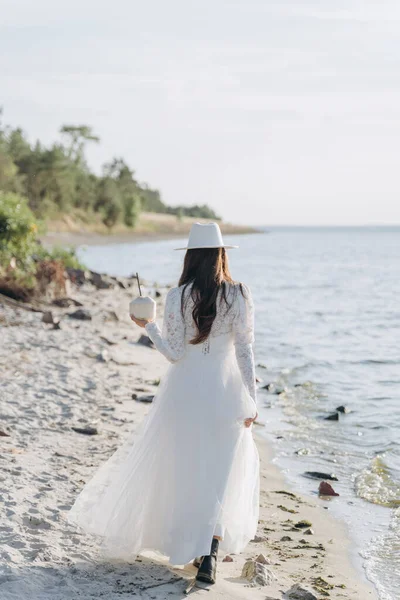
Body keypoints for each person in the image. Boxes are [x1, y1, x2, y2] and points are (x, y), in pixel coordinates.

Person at [67, 222, 260, 585]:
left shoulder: (177, 296)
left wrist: (148, 325)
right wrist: (252, 398)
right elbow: (245, 350)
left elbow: (174, 354)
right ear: (221, 254)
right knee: (221, 472)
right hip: (225, 391)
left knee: (188, 469)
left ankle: (194, 546)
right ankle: (210, 556)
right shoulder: (239, 294)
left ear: (189, 257)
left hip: (185, 392)